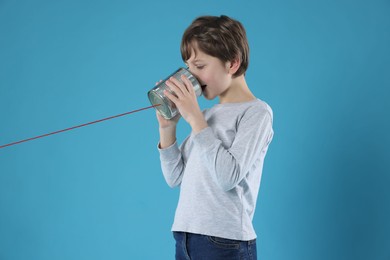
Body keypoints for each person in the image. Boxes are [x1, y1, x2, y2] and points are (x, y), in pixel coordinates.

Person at [155, 15, 274, 260]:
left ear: (231, 63)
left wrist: (195, 119)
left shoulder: (256, 112)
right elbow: (174, 177)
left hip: (224, 242)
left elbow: (227, 177)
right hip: (186, 236)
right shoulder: (206, 116)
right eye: (189, 68)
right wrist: (167, 129)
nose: (192, 78)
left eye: (199, 67)